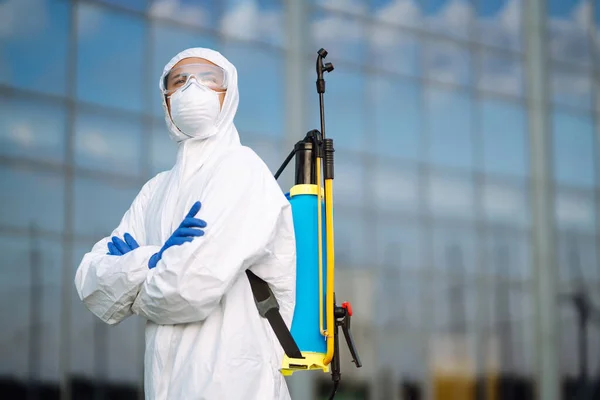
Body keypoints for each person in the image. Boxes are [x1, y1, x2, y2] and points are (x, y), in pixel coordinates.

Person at [74, 47, 297, 400]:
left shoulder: (242, 170)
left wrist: (133, 278)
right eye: (179, 81)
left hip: (236, 386)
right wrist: (155, 257)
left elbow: (187, 288)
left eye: (209, 79)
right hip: (165, 386)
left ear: (230, 95)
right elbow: (91, 284)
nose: (193, 88)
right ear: (166, 102)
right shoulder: (155, 190)